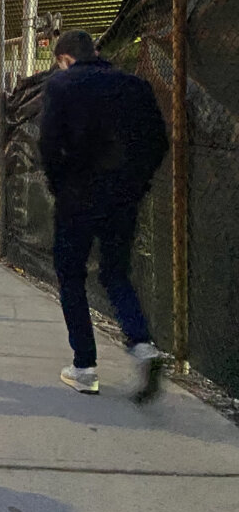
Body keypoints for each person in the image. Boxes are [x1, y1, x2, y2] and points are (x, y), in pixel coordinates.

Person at [39, 29, 168, 402]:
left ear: (64, 59)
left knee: (71, 274)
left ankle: (85, 367)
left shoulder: (62, 86)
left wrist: (60, 184)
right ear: (96, 51)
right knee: (115, 272)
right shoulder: (134, 86)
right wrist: (136, 184)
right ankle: (142, 344)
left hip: (76, 197)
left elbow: (48, 143)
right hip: (123, 197)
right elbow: (157, 140)